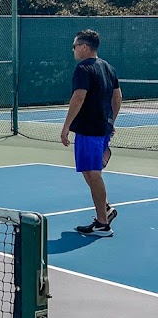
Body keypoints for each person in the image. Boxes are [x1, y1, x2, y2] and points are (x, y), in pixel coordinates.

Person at [60, 29, 122, 237]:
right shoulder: (108, 67)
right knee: (89, 171)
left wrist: (66, 125)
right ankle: (105, 210)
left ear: (84, 47)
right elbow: (117, 98)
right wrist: (111, 120)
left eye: (75, 46)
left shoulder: (83, 68)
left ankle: (103, 224)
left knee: (93, 174)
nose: (73, 50)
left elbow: (79, 97)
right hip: (101, 129)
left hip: (89, 130)